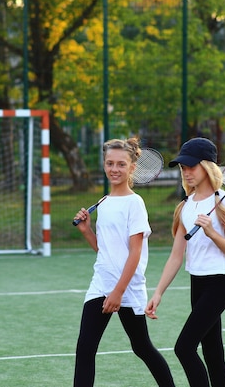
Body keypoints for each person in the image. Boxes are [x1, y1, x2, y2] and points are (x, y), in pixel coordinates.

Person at [145, 137, 225, 387]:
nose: (186, 172)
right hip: (198, 284)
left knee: (184, 348)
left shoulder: (223, 201)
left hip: (220, 285)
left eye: (191, 167)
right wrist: (158, 293)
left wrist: (212, 234)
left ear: (207, 166)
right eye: (183, 168)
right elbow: (176, 256)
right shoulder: (185, 206)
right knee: (212, 353)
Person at [72, 137, 175, 387]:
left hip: (127, 287)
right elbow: (105, 250)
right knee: (85, 349)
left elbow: (134, 253)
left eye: (120, 164)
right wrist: (86, 231)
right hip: (100, 284)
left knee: (141, 347)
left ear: (132, 168)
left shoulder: (135, 203)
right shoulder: (104, 203)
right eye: (109, 163)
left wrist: (118, 292)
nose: (114, 169)